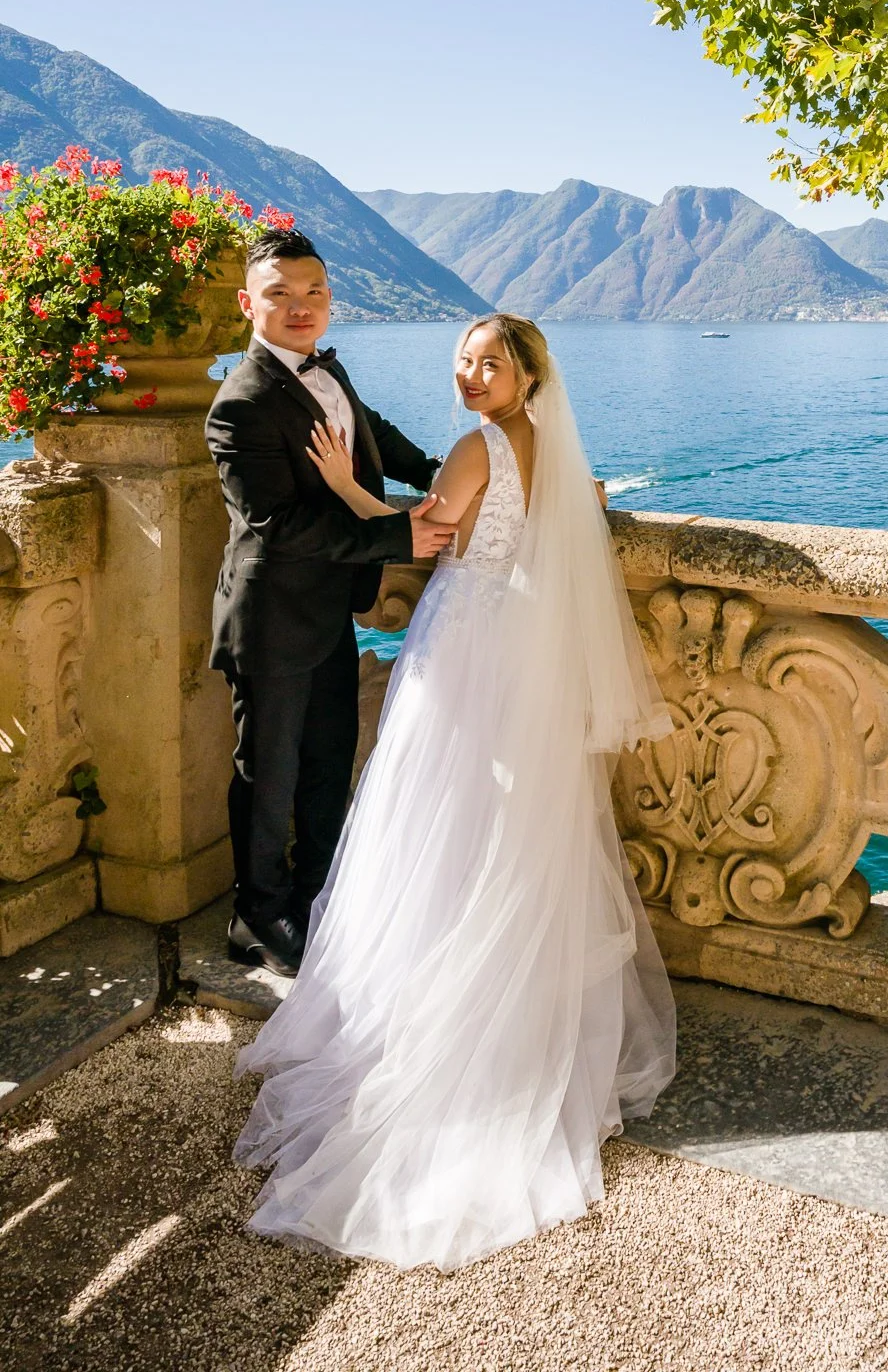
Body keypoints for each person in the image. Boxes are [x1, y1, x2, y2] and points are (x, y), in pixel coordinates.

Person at [232, 313, 677, 1270]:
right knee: (513, 830)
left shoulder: (478, 448)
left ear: (525, 373)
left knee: (433, 822)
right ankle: (514, 1013)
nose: (471, 376)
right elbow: (571, 512)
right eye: (464, 361)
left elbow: (431, 538)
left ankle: (431, 1004)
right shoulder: (549, 448)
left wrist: (349, 485)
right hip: (529, 659)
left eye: (490, 362)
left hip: (471, 647)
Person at [206, 229, 455, 978]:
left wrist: (452, 472)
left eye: (313, 291)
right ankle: (258, 916)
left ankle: (319, 896)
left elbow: (372, 438)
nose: (300, 306)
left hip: (328, 613)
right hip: (272, 618)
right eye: (279, 293)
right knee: (268, 773)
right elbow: (279, 525)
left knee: (325, 762)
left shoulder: (326, 373)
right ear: (249, 303)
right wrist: (398, 537)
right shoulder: (239, 405)